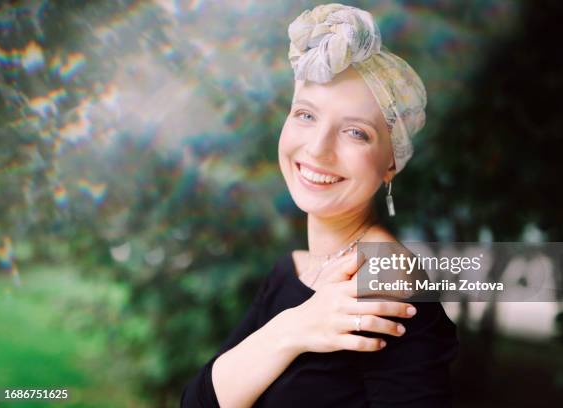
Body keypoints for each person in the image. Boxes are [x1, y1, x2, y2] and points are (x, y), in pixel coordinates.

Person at [181, 4, 458, 407]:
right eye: (306, 114)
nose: (317, 148)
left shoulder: (384, 277)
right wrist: (293, 328)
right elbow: (198, 401)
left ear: (390, 163)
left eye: (355, 132)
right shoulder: (293, 269)